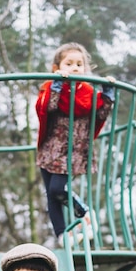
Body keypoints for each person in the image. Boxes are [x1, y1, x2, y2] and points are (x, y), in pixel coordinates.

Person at [36, 42, 115, 246]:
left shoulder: (87, 92)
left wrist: (108, 94)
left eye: (79, 64)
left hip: (71, 150)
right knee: (51, 195)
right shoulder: (52, 88)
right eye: (69, 63)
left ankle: (84, 213)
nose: (74, 68)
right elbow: (48, 107)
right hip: (51, 148)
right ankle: (63, 235)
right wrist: (57, 84)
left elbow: (100, 113)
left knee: (57, 189)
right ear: (57, 68)